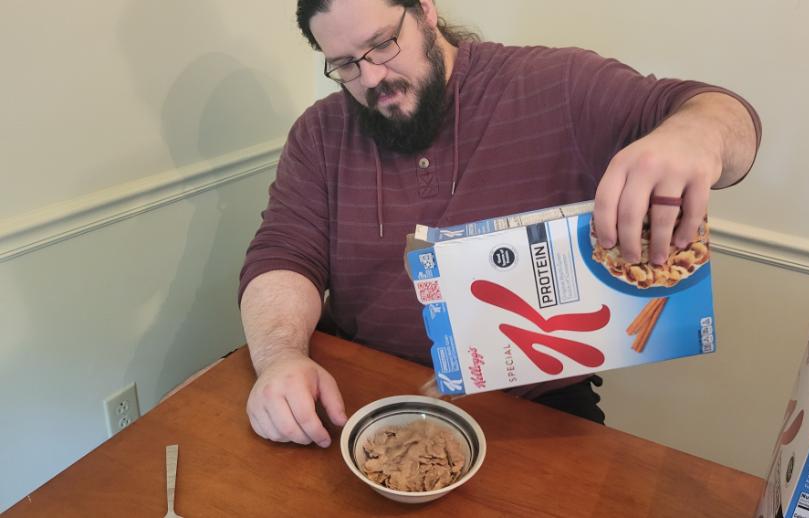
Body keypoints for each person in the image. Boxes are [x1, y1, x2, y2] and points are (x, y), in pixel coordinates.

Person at [239, 0, 762, 447]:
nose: (372, 77)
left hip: (530, 404)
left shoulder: (555, 86)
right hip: (362, 389)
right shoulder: (320, 133)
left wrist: (697, 135)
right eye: (346, 65)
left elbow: (725, 117)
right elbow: (284, 255)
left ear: (425, 10)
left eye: (382, 45)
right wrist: (280, 356)